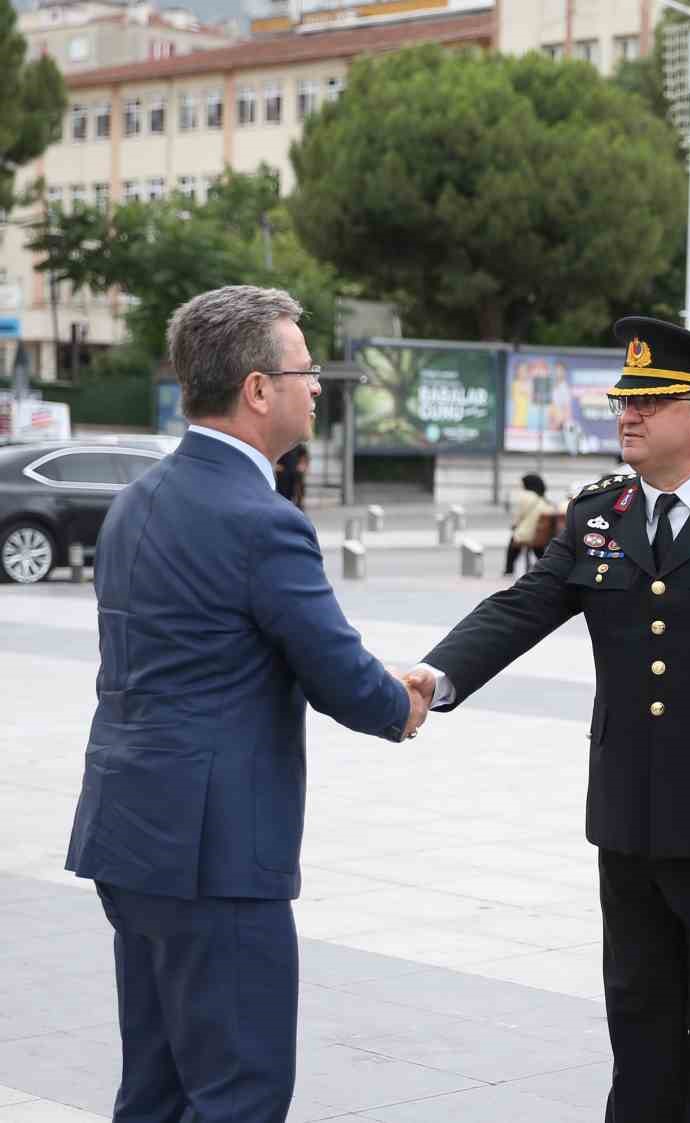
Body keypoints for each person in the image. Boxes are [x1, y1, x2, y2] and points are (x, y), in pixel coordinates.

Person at [404, 317, 690, 1123]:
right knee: (638, 1028)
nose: (627, 414)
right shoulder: (600, 511)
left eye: (649, 399)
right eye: (624, 398)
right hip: (629, 815)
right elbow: (526, 605)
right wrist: (437, 675)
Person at [64, 285, 427, 1123]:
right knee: (240, 1090)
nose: (316, 387)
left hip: (128, 832)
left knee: (153, 1089)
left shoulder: (135, 502)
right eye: (305, 371)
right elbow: (337, 672)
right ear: (258, 389)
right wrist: (398, 701)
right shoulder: (261, 520)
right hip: (215, 853)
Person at [505, 471, 558, 576]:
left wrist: (514, 525)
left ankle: (509, 569)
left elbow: (519, 516)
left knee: (513, 543)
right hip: (540, 536)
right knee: (538, 548)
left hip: (526, 534)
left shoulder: (526, 496)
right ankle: (545, 568)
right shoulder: (544, 501)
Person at [274, 442, 308, 508]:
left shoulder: (297, 444)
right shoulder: (278, 444)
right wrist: (276, 466)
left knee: (298, 492)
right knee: (284, 495)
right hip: (283, 474)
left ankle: (299, 506)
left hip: (296, 472)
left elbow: (304, 456)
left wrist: (302, 465)